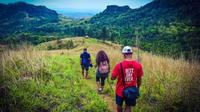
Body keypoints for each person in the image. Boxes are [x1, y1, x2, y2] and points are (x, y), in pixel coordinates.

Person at [111, 46, 143, 112]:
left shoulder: (118, 65)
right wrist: (138, 87)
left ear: (124, 54)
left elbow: (113, 77)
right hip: (131, 91)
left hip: (120, 91)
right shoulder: (138, 65)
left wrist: (112, 77)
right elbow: (139, 79)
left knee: (119, 106)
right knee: (128, 106)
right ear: (131, 54)